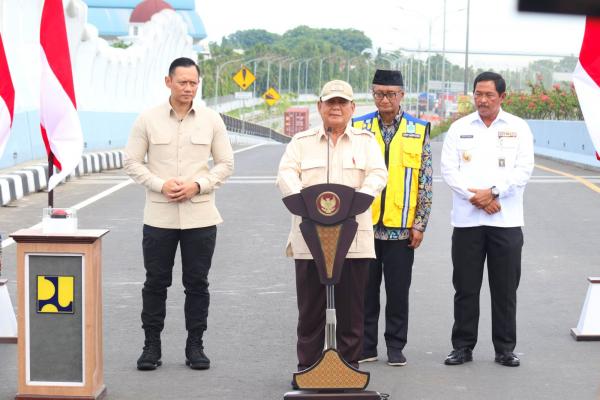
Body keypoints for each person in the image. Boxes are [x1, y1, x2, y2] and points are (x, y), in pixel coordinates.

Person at [124, 57, 234, 371]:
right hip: (159, 216)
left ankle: (195, 345)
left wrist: (199, 184)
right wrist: (160, 184)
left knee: (197, 284)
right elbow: (132, 161)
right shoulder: (147, 119)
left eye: (193, 83)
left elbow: (226, 164)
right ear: (168, 81)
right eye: (182, 82)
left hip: (201, 216)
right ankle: (151, 345)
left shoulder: (212, 120)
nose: (188, 88)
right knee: (155, 283)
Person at [277, 80, 387, 371]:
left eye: (342, 103)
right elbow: (286, 175)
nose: (335, 107)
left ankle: (348, 369)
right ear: (320, 107)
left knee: (352, 313)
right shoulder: (301, 143)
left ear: (352, 108)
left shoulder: (366, 142)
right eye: (330, 102)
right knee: (310, 313)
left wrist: (359, 199)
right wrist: (307, 204)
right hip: (310, 239)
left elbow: (378, 175)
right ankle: (308, 370)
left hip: (353, 241)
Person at [440, 71, 534, 367]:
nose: (482, 100)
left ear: (502, 97)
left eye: (489, 95)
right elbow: (449, 171)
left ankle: (505, 348)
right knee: (465, 287)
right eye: (478, 94)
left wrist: (493, 193)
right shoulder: (458, 128)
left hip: (506, 223)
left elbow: (523, 169)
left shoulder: (518, 128)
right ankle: (462, 347)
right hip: (468, 222)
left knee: (505, 289)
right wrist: (476, 198)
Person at [352, 70, 433, 366]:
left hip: (401, 229)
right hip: (364, 226)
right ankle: (367, 345)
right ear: (372, 94)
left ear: (401, 96)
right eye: (379, 93)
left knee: (398, 292)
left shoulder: (419, 129)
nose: (384, 99)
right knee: (364, 292)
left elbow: (425, 180)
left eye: (390, 94)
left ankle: (396, 346)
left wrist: (420, 223)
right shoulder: (358, 127)